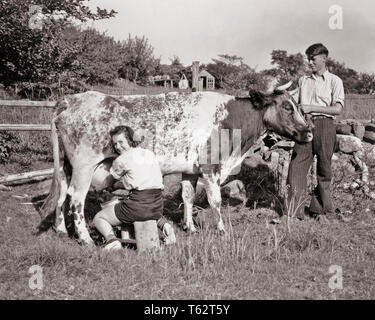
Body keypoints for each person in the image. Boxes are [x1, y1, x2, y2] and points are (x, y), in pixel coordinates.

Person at [93, 125, 176, 251]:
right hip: (157, 204)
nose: (118, 147)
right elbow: (139, 180)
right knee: (149, 208)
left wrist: (99, 188)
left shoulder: (122, 160)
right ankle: (167, 229)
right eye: (115, 144)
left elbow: (108, 181)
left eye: (121, 142)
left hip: (138, 207)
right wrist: (117, 186)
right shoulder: (149, 153)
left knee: (99, 217)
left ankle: (112, 240)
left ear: (130, 140)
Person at [287, 43, 345, 221]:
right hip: (305, 126)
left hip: (325, 126)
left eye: (313, 59)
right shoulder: (303, 81)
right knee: (296, 166)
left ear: (324, 58)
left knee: (324, 169)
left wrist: (311, 107)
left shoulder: (335, 81)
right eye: (308, 59)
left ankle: (320, 210)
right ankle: (295, 212)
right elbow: (293, 101)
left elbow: (337, 109)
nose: (310, 62)